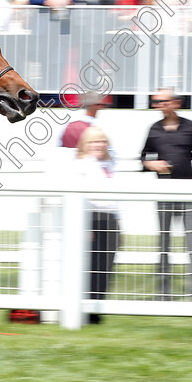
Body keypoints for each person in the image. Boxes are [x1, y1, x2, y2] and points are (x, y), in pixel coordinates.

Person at [140, 88, 192, 300]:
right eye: (155, 101)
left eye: (163, 101)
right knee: (163, 242)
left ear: (175, 103)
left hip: (187, 192)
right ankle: (163, 293)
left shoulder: (190, 127)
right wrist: (150, 164)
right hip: (164, 193)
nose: (159, 105)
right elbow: (142, 157)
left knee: (191, 242)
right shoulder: (154, 129)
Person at [72, 126, 120, 324]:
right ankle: (87, 309)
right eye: (93, 141)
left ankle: (97, 308)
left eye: (101, 141)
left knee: (106, 267)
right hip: (91, 219)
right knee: (91, 266)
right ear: (85, 145)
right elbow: (79, 196)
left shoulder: (111, 165)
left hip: (110, 219)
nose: (98, 145)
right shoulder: (81, 165)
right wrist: (85, 225)